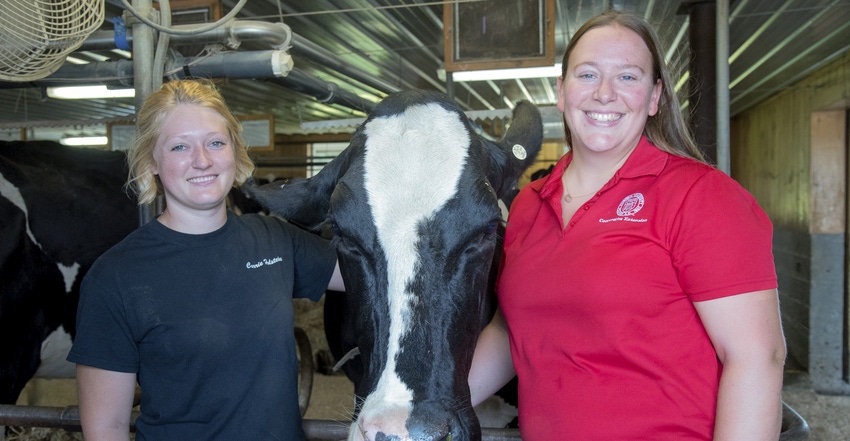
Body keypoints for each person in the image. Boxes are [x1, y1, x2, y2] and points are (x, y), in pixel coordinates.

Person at [468, 9, 786, 441]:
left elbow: (756, 355)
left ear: (654, 97)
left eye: (628, 77)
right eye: (587, 75)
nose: (604, 94)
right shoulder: (528, 205)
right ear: (561, 93)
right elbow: (511, 330)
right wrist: (418, 407)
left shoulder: (701, 197)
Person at [67, 79, 344, 441]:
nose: (202, 160)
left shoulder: (275, 240)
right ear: (152, 159)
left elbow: (379, 277)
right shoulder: (115, 277)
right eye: (180, 146)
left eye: (216, 142)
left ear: (234, 151)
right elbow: (107, 428)